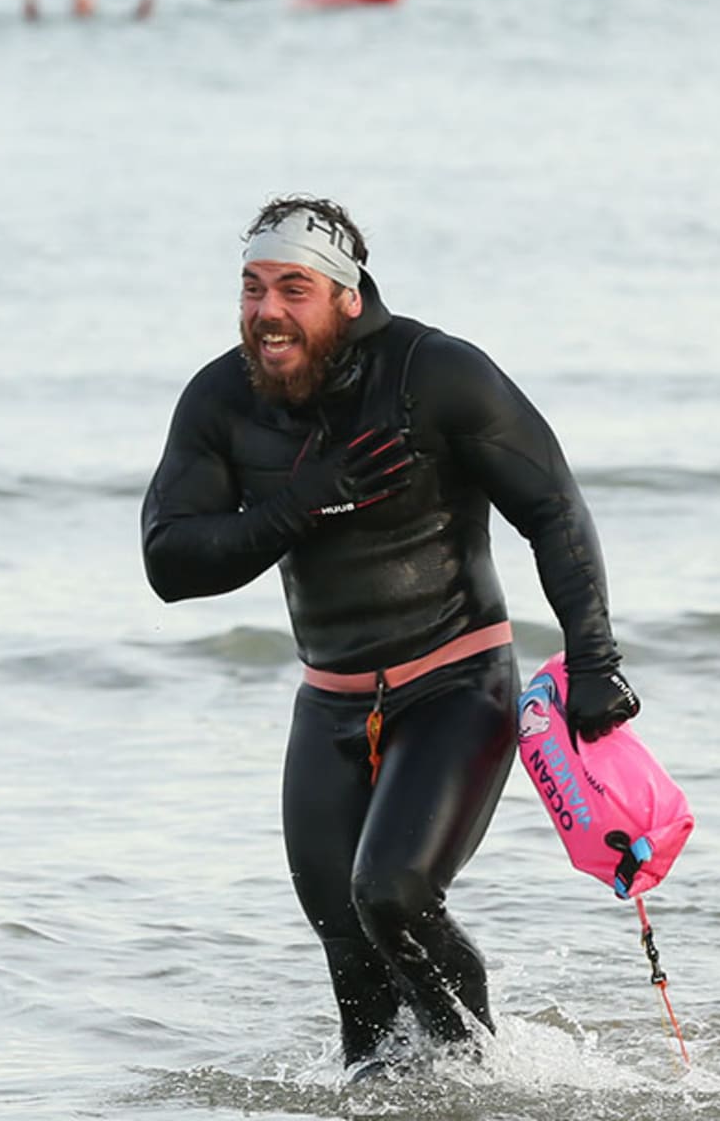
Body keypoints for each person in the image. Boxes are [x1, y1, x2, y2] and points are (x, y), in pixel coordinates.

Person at [141, 195, 640, 1076]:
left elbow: (553, 509)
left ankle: (480, 1081)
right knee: (347, 939)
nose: (267, 313)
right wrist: (301, 503)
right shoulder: (221, 397)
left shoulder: (436, 374)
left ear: (348, 296)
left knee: (394, 895)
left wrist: (596, 663)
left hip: (455, 684)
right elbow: (172, 564)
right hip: (330, 704)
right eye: (252, 289)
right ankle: (384, 1094)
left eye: (293, 289)